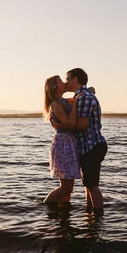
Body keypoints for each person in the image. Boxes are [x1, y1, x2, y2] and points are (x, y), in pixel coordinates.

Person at [53, 68, 107, 212]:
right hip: (88, 147)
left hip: (92, 147)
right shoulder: (81, 96)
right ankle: (90, 215)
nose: (66, 82)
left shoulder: (84, 97)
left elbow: (82, 125)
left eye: (67, 79)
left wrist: (61, 127)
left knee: (92, 186)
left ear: (75, 79)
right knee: (89, 184)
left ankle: (97, 217)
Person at [42, 75, 80, 203]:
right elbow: (69, 123)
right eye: (60, 82)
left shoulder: (63, 101)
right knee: (66, 187)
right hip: (63, 144)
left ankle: (64, 212)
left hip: (69, 143)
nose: (64, 83)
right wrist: (76, 105)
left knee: (68, 187)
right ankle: (46, 205)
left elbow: (75, 99)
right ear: (55, 88)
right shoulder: (56, 105)